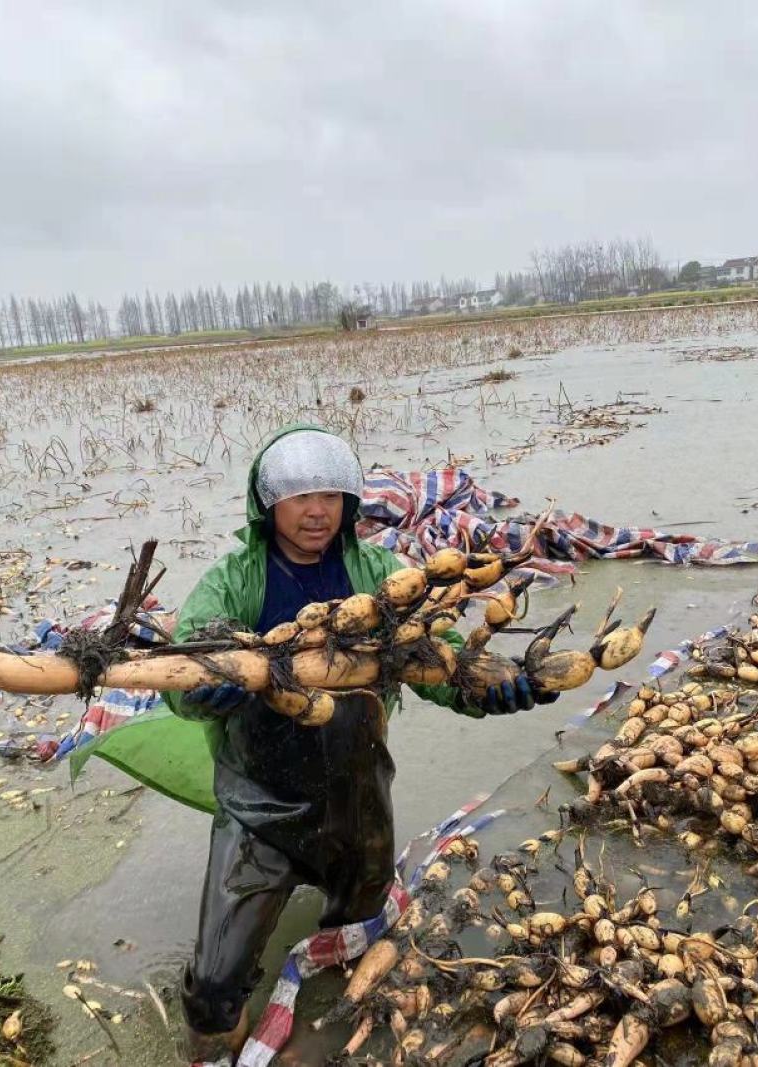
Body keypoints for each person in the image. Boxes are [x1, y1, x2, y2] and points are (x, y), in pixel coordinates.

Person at [163, 424, 557, 1063]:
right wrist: (200, 687)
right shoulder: (235, 580)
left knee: (360, 959)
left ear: (351, 503)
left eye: (332, 496)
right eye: (299, 497)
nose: (317, 511)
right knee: (213, 990)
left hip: (358, 806)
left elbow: (440, 664)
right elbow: (185, 664)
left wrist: (488, 689)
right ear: (268, 504)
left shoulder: (380, 574)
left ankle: (330, 1043)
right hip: (258, 810)